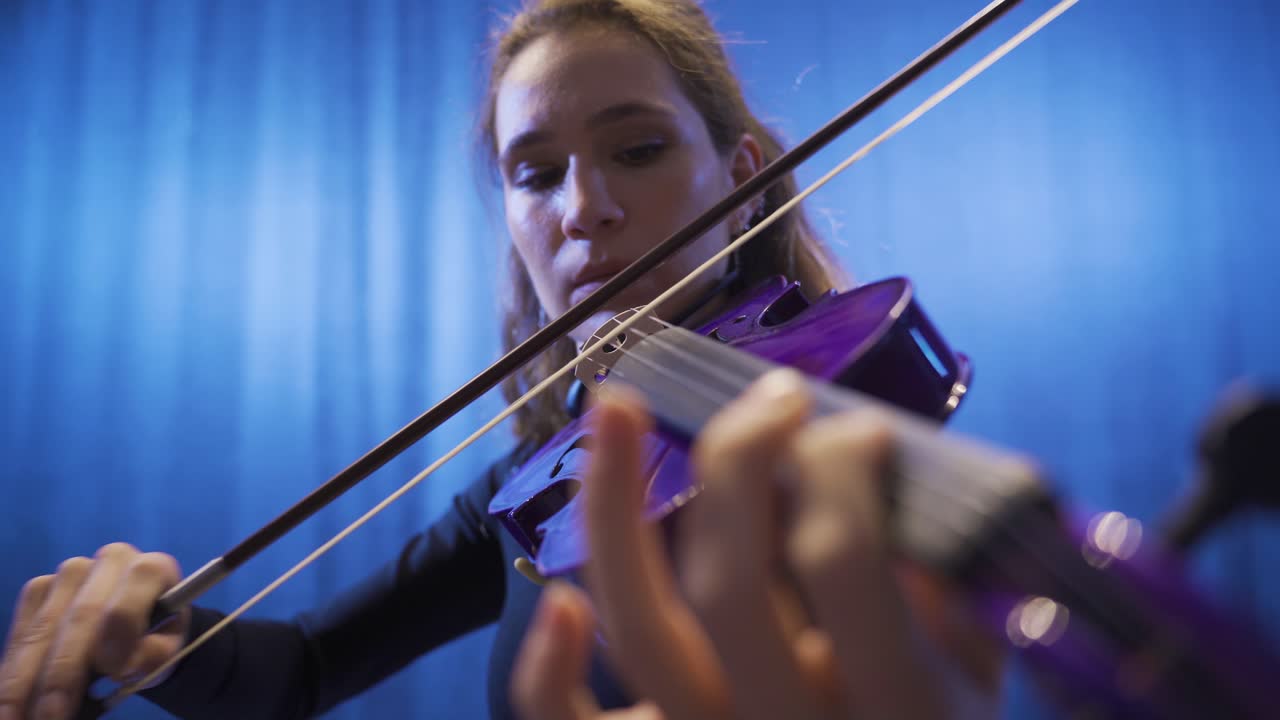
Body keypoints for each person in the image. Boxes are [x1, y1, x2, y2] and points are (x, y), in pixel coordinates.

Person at [0, 2, 1002, 719]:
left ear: (744, 183)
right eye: (535, 173)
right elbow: (302, 672)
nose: (583, 209)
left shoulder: (829, 432)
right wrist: (156, 643)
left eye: (637, 149)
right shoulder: (536, 491)